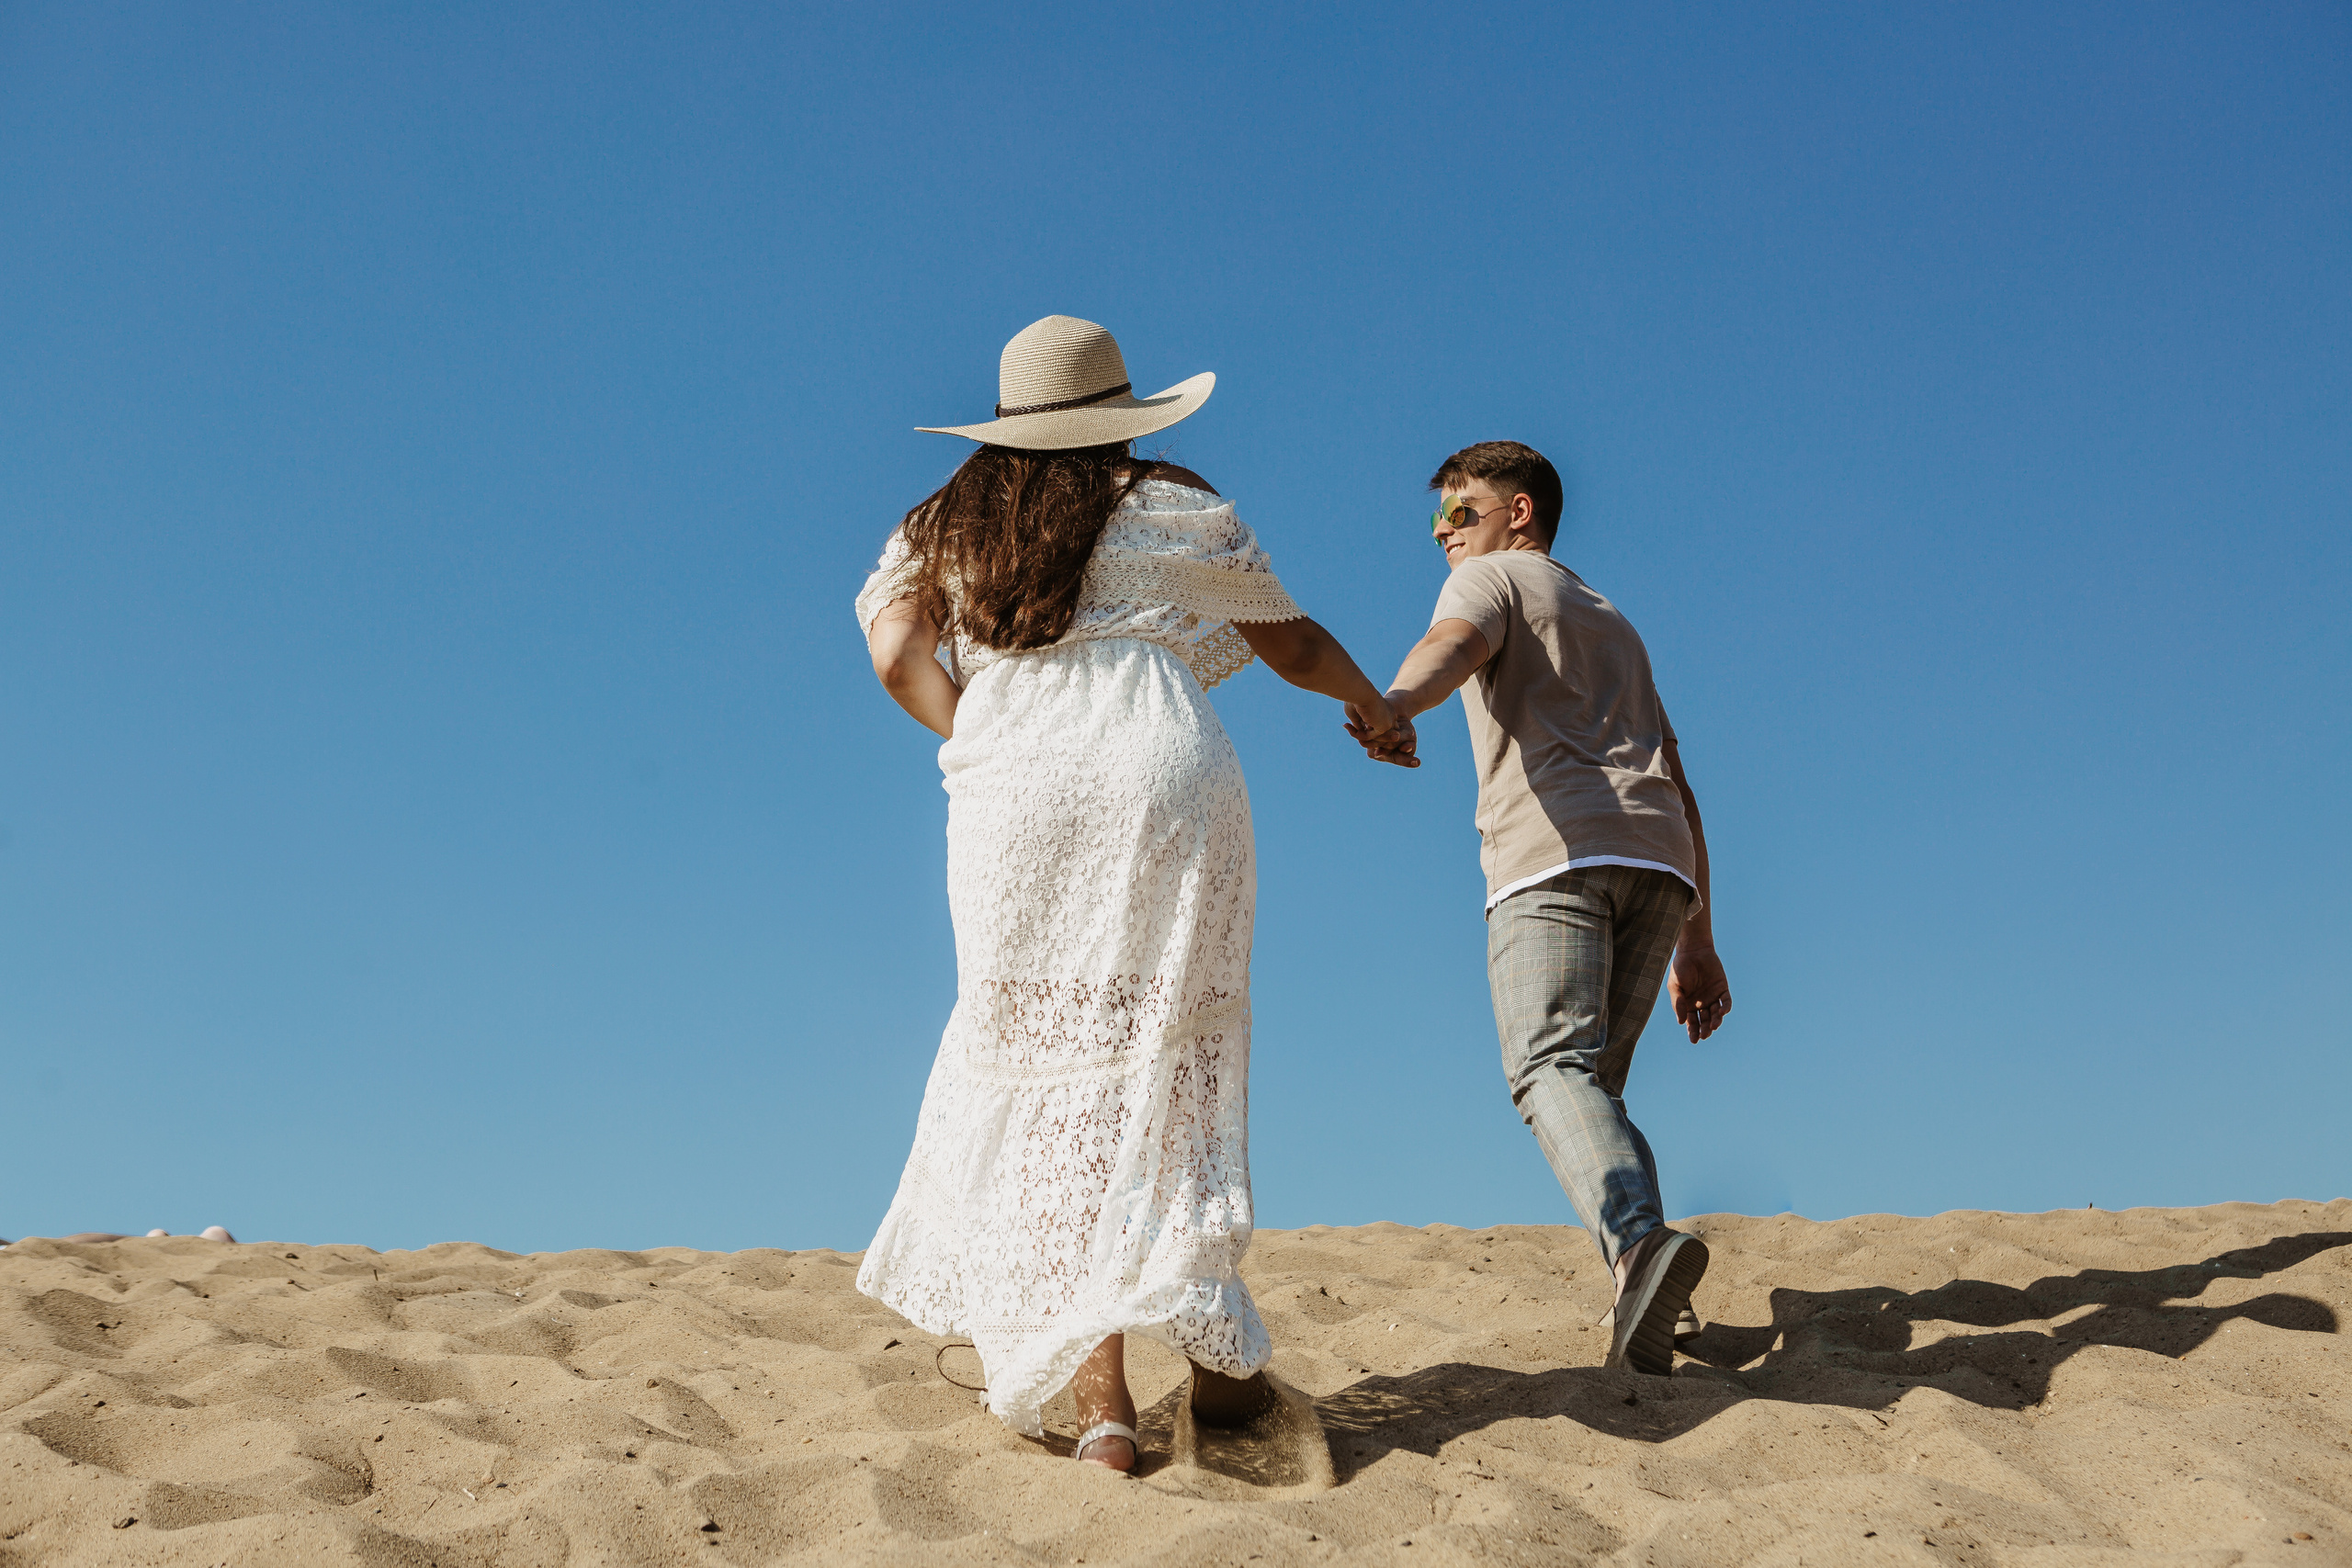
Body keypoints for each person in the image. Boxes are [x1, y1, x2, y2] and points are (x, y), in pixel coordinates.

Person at [854, 315, 1403, 1471]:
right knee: (1170, 1047)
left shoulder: (944, 521)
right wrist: (1372, 705)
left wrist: (986, 739)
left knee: (1044, 1059)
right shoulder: (1167, 501)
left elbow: (897, 651)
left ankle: (1102, 1410)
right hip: (1161, 770)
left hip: (1012, 786)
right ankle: (1219, 1364)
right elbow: (1288, 640)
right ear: (1120, 412)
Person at [1351, 440, 1734, 1377]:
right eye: (1436, 520)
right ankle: (1654, 1292)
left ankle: (1639, 1246)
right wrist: (1699, 940)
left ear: (1518, 512)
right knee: (1590, 1087)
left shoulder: (1492, 579)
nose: (1442, 533)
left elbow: (1451, 646)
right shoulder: (1611, 619)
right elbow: (1680, 781)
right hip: (1659, 860)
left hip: (1555, 856)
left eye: (1460, 511)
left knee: (1547, 1067)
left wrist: (1395, 703)